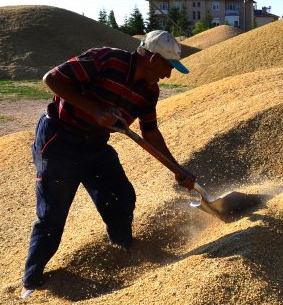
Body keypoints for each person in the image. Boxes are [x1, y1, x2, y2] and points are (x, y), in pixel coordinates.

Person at [22, 30, 195, 291]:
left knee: (120, 196)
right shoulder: (107, 60)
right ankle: (32, 281)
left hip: (95, 144)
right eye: (168, 66)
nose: (168, 74)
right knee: (52, 214)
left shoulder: (149, 92)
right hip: (59, 139)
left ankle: (121, 250)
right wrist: (94, 109)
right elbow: (53, 79)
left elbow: (150, 132)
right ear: (152, 59)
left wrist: (177, 169)